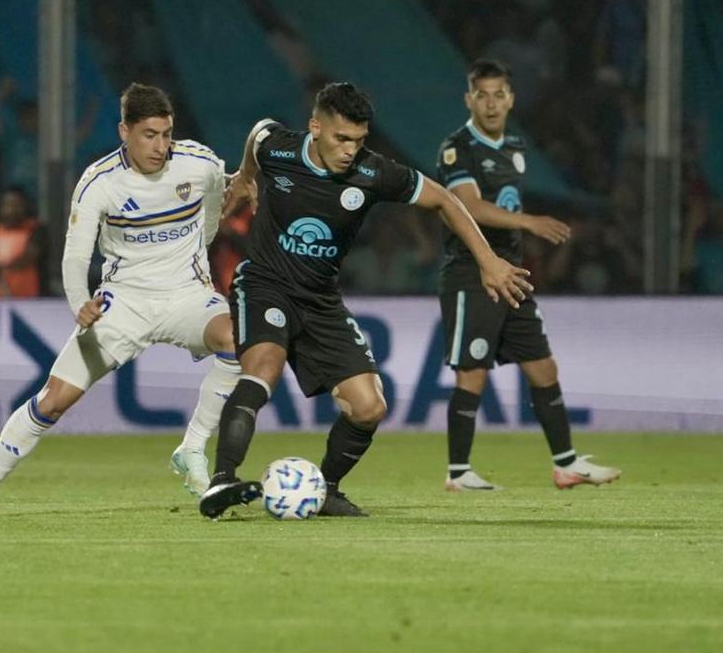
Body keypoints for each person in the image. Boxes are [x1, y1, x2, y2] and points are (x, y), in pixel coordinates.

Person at [199, 82, 532, 520]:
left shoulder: (374, 173)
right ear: (315, 128)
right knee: (263, 367)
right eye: (341, 139)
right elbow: (258, 134)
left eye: (359, 141)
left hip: (320, 300)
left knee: (369, 407)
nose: (350, 151)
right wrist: (245, 177)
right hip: (264, 283)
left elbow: (446, 200)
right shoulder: (277, 149)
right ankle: (221, 481)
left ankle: (326, 489)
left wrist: (488, 260)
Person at [0, 83, 241, 517]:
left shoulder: (200, 163)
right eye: (149, 135)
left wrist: (200, 257)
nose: (160, 146)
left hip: (186, 296)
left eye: (166, 133)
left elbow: (213, 212)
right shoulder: (99, 182)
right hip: (124, 304)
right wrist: (79, 301)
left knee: (237, 338)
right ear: (124, 131)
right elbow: (75, 255)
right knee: (53, 400)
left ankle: (191, 447)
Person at [435, 59, 620, 493]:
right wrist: (529, 223)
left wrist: (522, 233)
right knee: (472, 372)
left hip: (512, 274)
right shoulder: (457, 147)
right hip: (472, 272)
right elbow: (466, 206)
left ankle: (566, 464)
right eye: (483, 94)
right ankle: (458, 472)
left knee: (543, 367)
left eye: (500, 94)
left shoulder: (516, 144)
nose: (492, 103)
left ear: (511, 99)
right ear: (469, 99)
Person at [0, 187, 45, 298]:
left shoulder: (36, 229)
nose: (12, 210)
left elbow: (31, 256)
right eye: (8, 205)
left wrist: (1, 268)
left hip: (27, 296)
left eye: (17, 205)